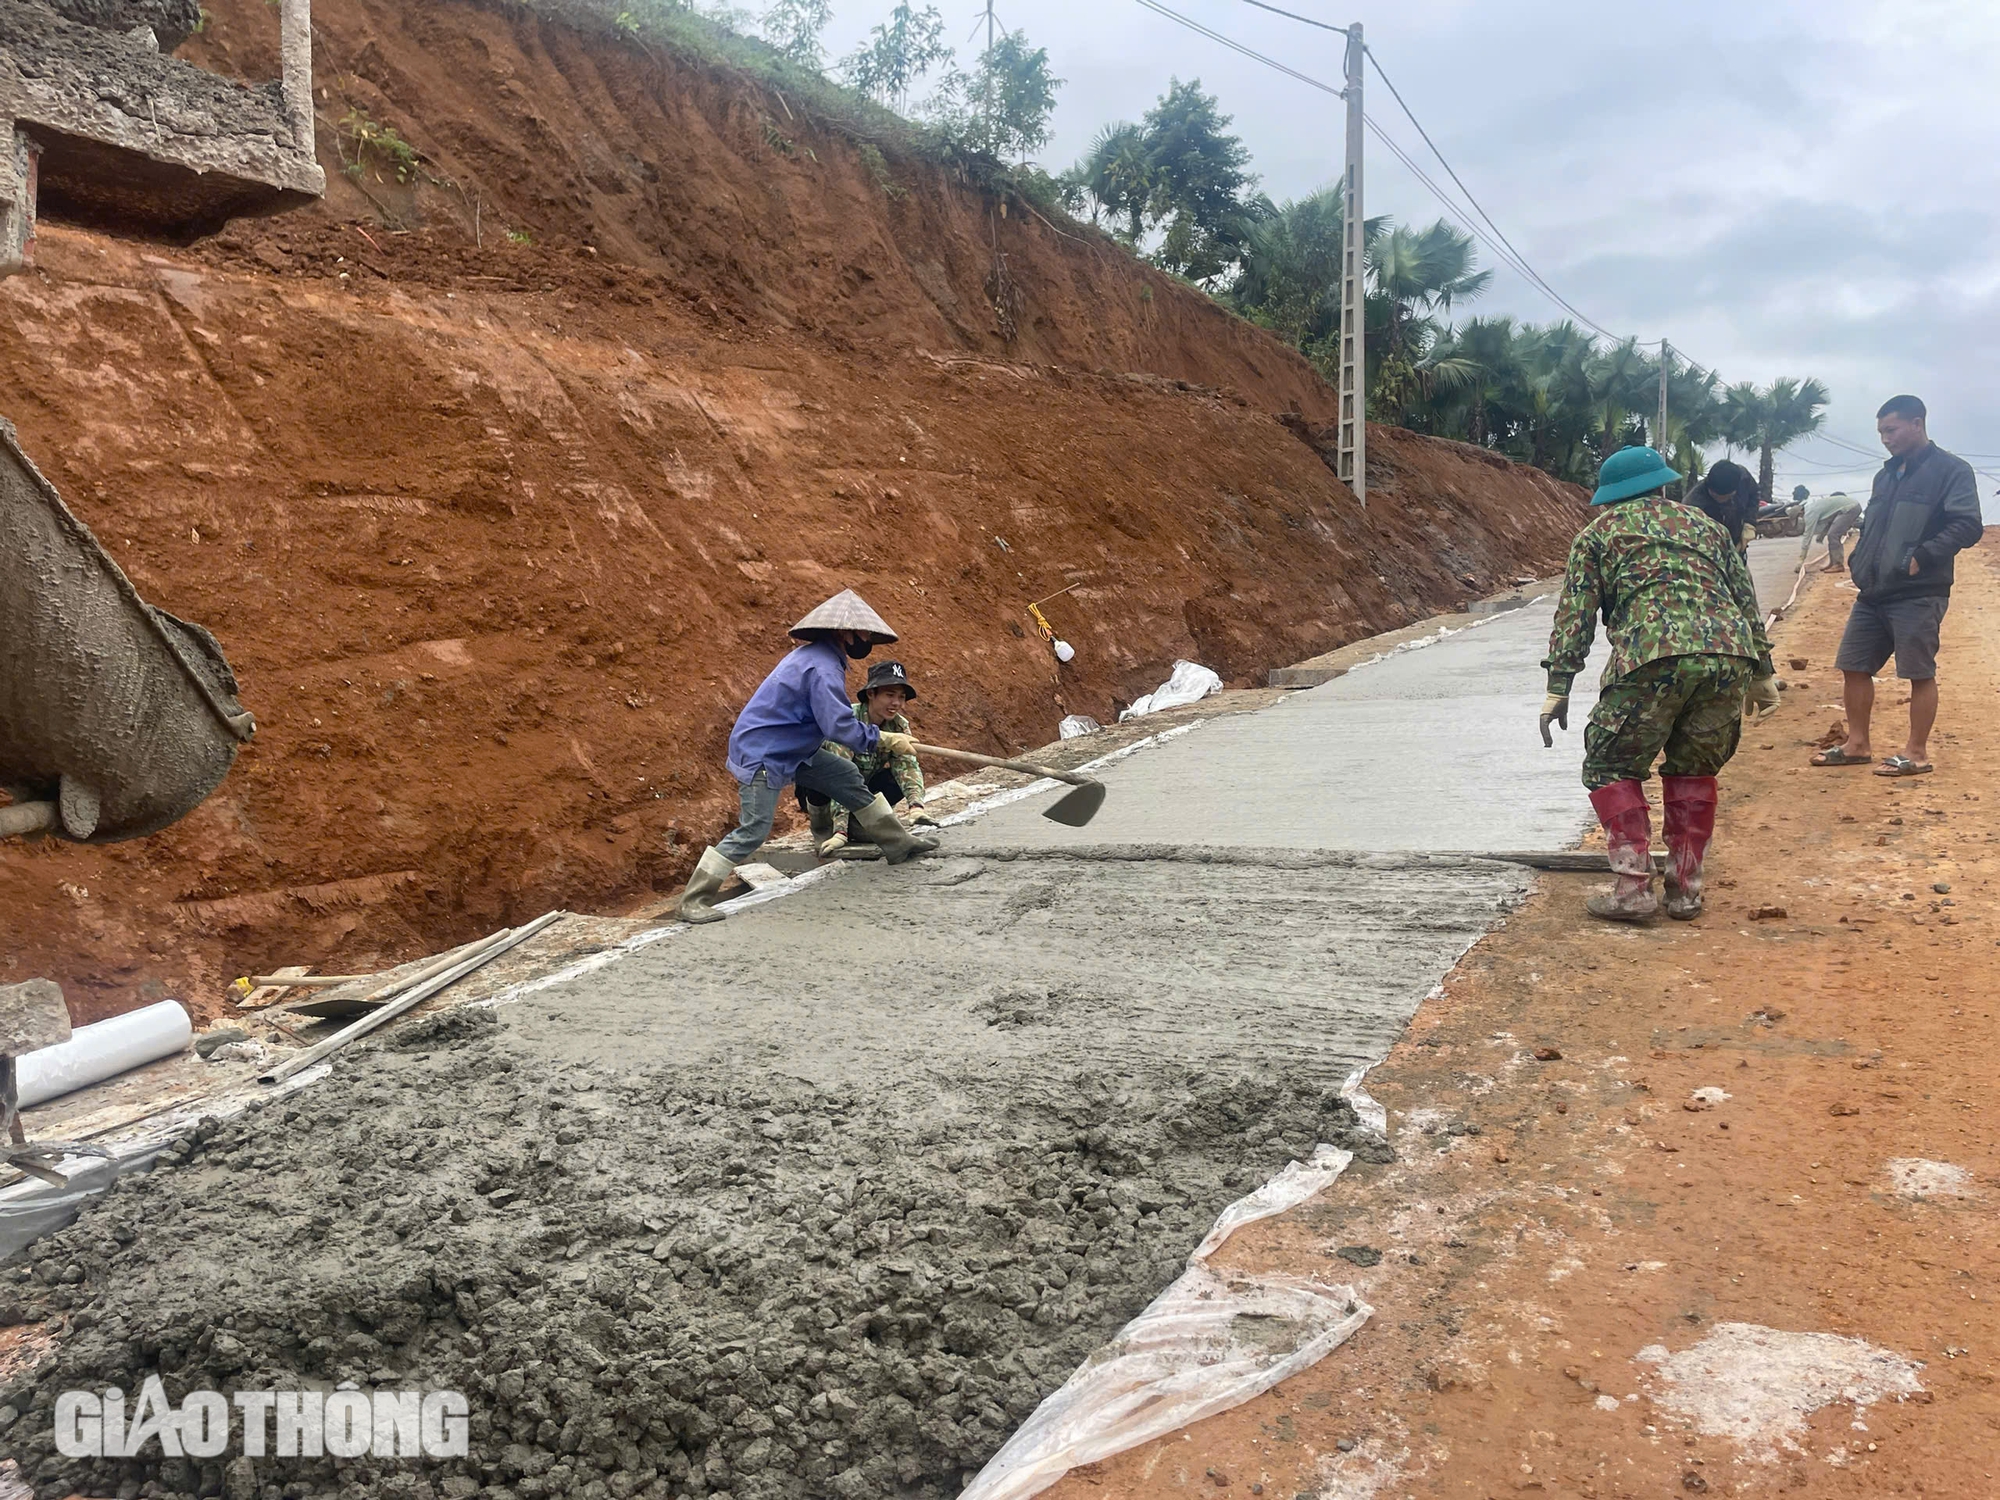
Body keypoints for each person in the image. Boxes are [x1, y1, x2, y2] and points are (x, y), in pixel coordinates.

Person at [1541, 446, 1778, 922]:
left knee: (1611, 764)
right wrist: (1763, 672)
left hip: (1650, 660)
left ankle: (1632, 891)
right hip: (1727, 658)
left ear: (1608, 497)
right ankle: (1685, 890)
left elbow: (1576, 615)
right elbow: (1744, 599)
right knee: (1693, 768)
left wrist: (1559, 684)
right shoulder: (1708, 526)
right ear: (1664, 486)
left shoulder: (1598, 535)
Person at [676, 590, 938, 924]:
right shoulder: (823, 668)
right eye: (865, 634)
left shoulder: (820, 658)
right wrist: (882, 738)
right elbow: (838, 726)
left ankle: (897, 843)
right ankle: (693, 900)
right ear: (846, 632)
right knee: (754, 829)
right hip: (765, 752)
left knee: (844, 775)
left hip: (794, 746)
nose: (867, 640)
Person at [1811, 395, 1984, 778]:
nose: (1885, 439)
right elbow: (1874, 525)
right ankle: (1857, 745)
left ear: (1917, 423)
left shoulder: (1951, 470)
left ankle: (1916, 753)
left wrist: (1922, 555)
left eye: (1891, 430)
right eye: (1881, 432)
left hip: (1920, 592)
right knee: (1853, 666)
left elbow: (1968, 524)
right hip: (1873, 591)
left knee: (1918, 672)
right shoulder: (1886, 475)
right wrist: (1858, 560)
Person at [800, 659, 932, 858]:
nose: (896, 703)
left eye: (901, 697)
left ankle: (862, 826)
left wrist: (916, 806)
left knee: (892, 779)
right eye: (889, 695)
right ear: (871, 694)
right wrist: (840, 832)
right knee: (824, 780)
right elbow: (839, 778)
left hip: (861, 792)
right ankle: (827, 829)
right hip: (830, 795)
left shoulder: (898, 726)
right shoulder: (848, 723)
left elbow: (907, 766)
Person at [1682, 460, 1756, 551]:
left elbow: (1754, 496)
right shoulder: (1692, 504)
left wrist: (1749, 522)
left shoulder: (1743, 478)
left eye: (1726, 497)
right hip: (1709, 548)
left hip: (1737, 541)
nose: (1721, 501)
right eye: (1716, 497)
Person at [1799, 490, 1864, 573]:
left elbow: (1807, 535)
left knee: (1833, 535)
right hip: (1852, 506)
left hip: (1850, 507)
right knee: (1832, 534)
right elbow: (1831, 521)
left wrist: (1801, 558)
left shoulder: (1810, 512)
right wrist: (1821, 536)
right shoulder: (1813, 507)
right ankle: (1833, 563)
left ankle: (1838, 565)